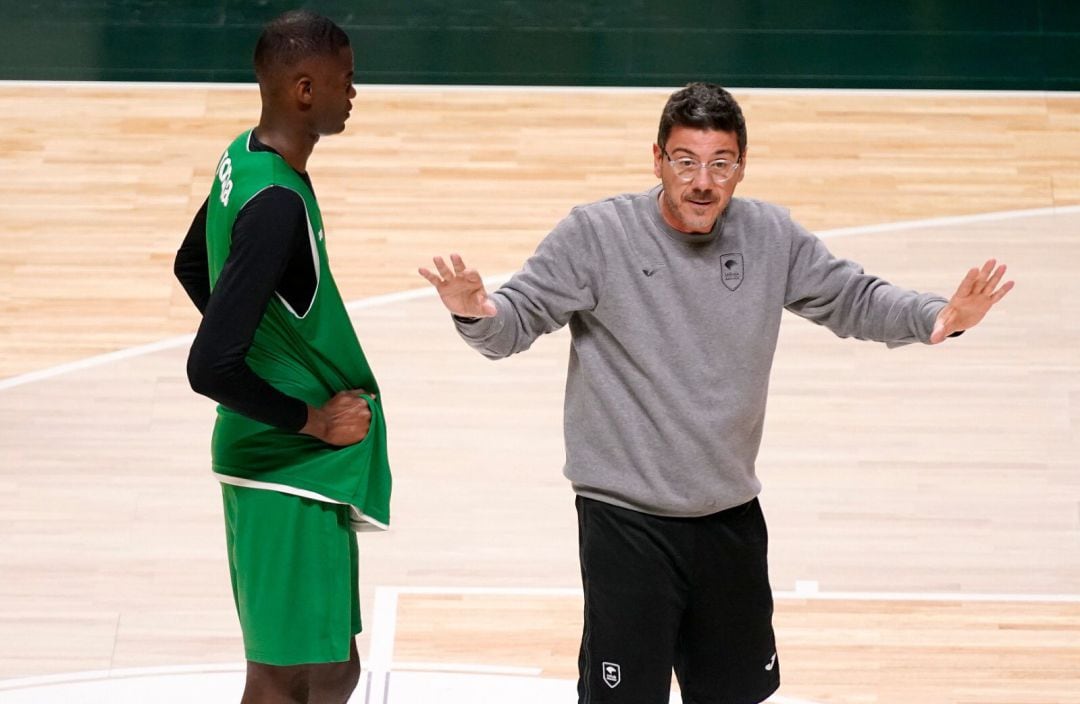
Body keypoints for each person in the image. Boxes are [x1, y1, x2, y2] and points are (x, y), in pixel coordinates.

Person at [418, 82, 1013, 704]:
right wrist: (478, 313)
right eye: (686, 161)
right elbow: (515, 320)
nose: (702, 181)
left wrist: (938, 316)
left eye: (720, 164)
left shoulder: (770, 235)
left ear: (740, 167)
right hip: (626, 521)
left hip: (728, 516)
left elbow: (852, 297)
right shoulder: (597, 235)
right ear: (658, 160)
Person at [174, 10, 391, 704]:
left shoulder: (243, 157)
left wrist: (267, 350)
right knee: (305, 675)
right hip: (286, 469)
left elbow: (190, 265)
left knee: (314, 668)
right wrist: (311, 420)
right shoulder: (275, 205)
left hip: (276, 471)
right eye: (345, 80)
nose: (353, 92)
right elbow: (209, 367)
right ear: (304, 90)